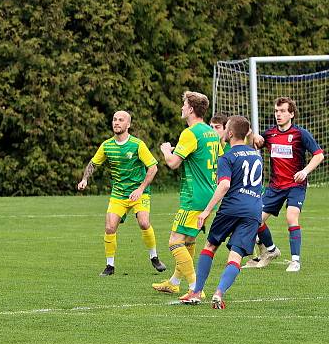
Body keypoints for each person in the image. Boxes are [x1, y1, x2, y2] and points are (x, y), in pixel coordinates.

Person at [179, 116, 263, 309]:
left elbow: (224, 184)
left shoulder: (227, 157)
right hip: (253, 210)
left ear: (231, 133)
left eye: (226, 129)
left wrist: (207, 210)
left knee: (210, 246)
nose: (223, 132)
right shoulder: (256, 155)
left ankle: (197, 292)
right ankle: (218, 293)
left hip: (231, 207)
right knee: (236, 256)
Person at [77, 110, 166, 276]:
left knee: (144, 222)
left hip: (140, 192)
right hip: (118, 194)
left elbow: (153, 168)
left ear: (128, 125)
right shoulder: (107, 145)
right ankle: (110, 266)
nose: (116, 123)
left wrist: (140, 189)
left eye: (121, 120)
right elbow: (93, 164)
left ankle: (154, 257)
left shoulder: (137, 144)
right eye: (114, 120)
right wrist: (85, 179)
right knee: (110, 227)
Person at [153, 91, 222, 295]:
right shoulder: (210, 132)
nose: (182, 108)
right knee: (189, 240)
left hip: (194, 197)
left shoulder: (190, 133)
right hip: (209, 193)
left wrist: (166, 150)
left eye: (184, 104)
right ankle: (174, 281)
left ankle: (195, 288)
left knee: (175, 241)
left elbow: (174, 163)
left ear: (191, 109)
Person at [244, 97, 324, 272]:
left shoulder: (300, 134)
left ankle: (295, 261)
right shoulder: (270, 134)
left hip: (295, 185)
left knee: (291, 217)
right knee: (255, 219)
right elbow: (255, 143)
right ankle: (271, 250)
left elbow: (319, 155)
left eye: (282, 111)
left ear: (291, 114)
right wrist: (251, 135)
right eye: (276, 111)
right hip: (275, 187)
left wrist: (304, 172)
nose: (278, 114)